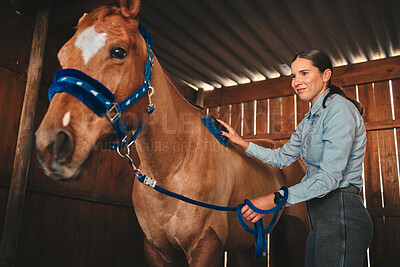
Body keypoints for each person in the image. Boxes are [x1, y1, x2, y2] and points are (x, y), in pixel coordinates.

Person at [218, 49, 373, 266]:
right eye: (293, 75)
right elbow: (281, 157)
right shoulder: (310, 119)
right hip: (319, 217)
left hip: (340, 214)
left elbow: (329, 177)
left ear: (326, 75)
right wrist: (241, 143)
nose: (296, 82)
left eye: (304, 73)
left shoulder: (340, 110)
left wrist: (273, 199)